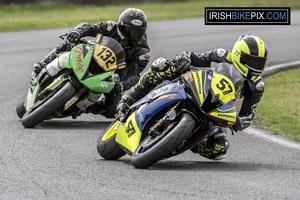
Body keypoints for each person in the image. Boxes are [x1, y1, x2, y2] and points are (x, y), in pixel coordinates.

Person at [117, 35, 268, 160]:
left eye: (259, 63)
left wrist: (238, 122)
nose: (255, 67)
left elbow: (248, 115)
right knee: (162, 67)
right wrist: (184, 59)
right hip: (197, 86)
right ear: (238, 54)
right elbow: (193, 56)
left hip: (217, 107)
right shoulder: (222, 55)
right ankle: (130, 97)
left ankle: (189, 139)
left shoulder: (256, 85)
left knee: (219, 149)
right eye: (252, 61)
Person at [31, 8, 150, 118]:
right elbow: (90, 27)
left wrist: (122, 84)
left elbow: (134, 75)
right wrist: (78, 32)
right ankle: (40, 67)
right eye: (130, 31)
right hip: (93, 57)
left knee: (113, 109)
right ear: (121, 27)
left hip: (112, 77)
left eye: (138, 33)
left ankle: (85, 107)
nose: (134, 37)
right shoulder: (111, 27)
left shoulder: (142, 53)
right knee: (66, 44)